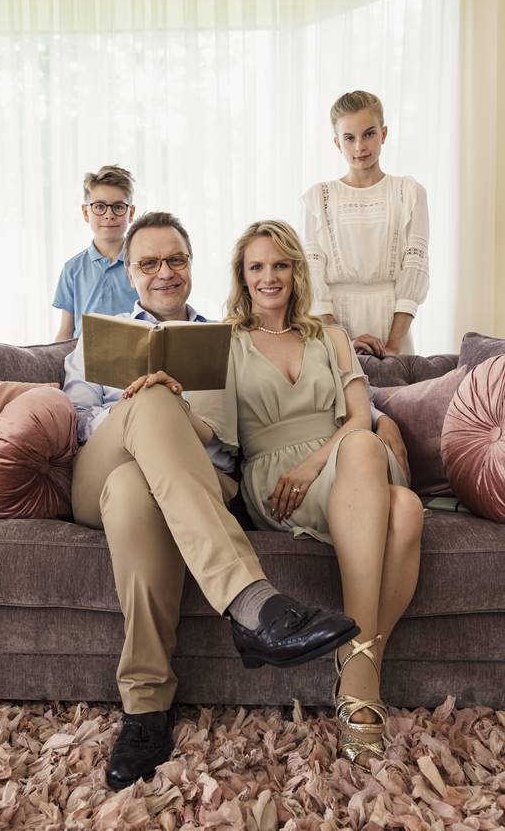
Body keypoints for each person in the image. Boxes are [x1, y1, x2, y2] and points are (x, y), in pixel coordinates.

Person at [63, 211, 358, 790]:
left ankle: (145, 710)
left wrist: (181, 414)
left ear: (192, 265)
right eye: (149, 262)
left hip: (190, 486)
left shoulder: (229, 339)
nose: (164, 272)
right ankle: (252, 603)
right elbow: (77, 419)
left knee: (137, 492)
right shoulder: (98, 337)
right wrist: (142, 409)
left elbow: (237, 437)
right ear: (129, 271)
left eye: (176, 259)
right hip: (101, 472)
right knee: (148, 406)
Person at [167, 220, 423, 769]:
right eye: (257, 266)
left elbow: (359, 417)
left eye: (280, 265)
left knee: (398, 496)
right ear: (242, 275)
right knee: (391, 493)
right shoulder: (224, 342)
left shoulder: (331, 338)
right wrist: (172, 400)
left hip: (342, 459)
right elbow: (210, 431)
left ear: (295, 272)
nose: (269, 277)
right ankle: (360, 677)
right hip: (276, 480)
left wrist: (314, 464)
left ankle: (357, 671)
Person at [301, 90, 429, 356]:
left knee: (397, 384)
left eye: (369, 134)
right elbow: (312, 278)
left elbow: (414, 271)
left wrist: (393, 346)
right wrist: (343, 345)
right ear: (337, 143)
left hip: (395, 326)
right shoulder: (317, 198)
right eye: (349, 138)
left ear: (383, 133)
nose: (360, 146)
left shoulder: (410, 193)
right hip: (334, 331)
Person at [53, 164, 138, 341]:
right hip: (84, 356)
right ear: (86, 212)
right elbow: (65, 332)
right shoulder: (72, 269)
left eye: (118, 207)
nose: (109, 215)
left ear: (130, 213)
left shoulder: (143, 264)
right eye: (99, 207)